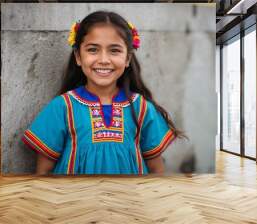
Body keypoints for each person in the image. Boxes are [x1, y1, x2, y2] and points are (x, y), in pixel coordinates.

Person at [22, 11, 183, 175]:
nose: (104, 60)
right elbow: (43, 172)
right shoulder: (62, 107)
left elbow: (157, 169)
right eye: (93, 49)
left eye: (114, 50)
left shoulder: (142, 108)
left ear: (127, 59)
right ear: (78, 56)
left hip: (130, 198)